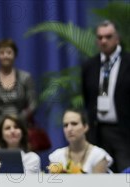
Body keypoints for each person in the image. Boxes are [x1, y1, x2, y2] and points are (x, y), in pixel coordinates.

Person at [81, 20, 130, 172]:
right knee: (99, 178)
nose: (103, 41)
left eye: (108, 37)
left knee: (125, 176)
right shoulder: (90, 65)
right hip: (98, 131)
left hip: (124, 131)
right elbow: (87, 97)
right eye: (100, 37)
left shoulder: (128, 62)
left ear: (117, 38)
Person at [0, 38, 37, 144]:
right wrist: (1, 123)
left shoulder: (26, 78)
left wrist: (17, 121)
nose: (5, 56)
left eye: (9, 52)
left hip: (21, 131)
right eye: (2, 53)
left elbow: (33, 104)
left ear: (15, 54)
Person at [48, 109, 112, 174]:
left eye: (74, 124)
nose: (69, 129)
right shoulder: (56, 156)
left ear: (85, 127)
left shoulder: (99, 155)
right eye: (65, 125)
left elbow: (100, 183)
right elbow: (52, 183)